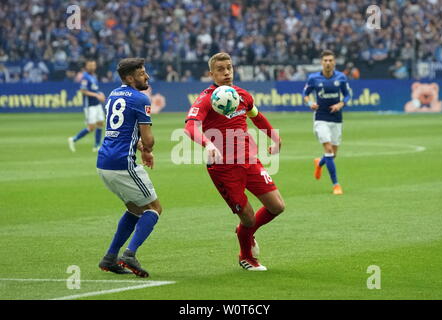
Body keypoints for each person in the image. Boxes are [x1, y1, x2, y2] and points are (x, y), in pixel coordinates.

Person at [184, 52, 285, 271]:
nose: (227, 72)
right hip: (223, 168)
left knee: (277, 206)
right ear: (211, 74)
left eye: (229, 67)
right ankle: (246, 256)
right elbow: (190, 126)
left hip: (250, 161)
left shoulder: (242, 95)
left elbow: (256, 116)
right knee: (248, 218)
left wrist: (275, 138)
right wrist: (208, 144)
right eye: (220, 69)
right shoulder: (205, 99)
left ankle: (244, 233)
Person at [96, 58, 162, 277]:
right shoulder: (140, 98)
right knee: (154, 209)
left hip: (104, 163)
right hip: (123, 163)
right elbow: (149, 140)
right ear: (130, 78)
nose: (147, 76)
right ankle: (129, 255)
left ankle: (109, 258)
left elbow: (122, 132)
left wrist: (140, 146)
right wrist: (148, 149)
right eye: (142, 73)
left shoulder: (113, 94)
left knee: (135, 210)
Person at [303, 50, 352, 195]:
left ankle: (320, 162)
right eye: (325, 60)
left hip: (337, 118)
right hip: (321, 117)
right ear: (321, 62)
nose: (328, 63)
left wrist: (341, 104)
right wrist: (310, 103)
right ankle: (336, 185)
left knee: (333, 154)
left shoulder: (341, 77)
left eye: (331, 60)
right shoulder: (314, 78)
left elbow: (348, 94)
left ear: (334, 62)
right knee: (329, 150)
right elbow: (305, 94)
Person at [68, 59, 106, 152]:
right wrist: (97, 95)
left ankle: (96, 146)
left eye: (93, 65)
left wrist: (100, 93)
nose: (92, 67)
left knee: (100, 123)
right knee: (91, 127)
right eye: (90, 65)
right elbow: (83, 91)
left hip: (97, 104)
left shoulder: (94, 76)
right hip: (90, 106)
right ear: (86, 66)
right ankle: (73, 139)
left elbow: (94, 90)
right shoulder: (85, 77)